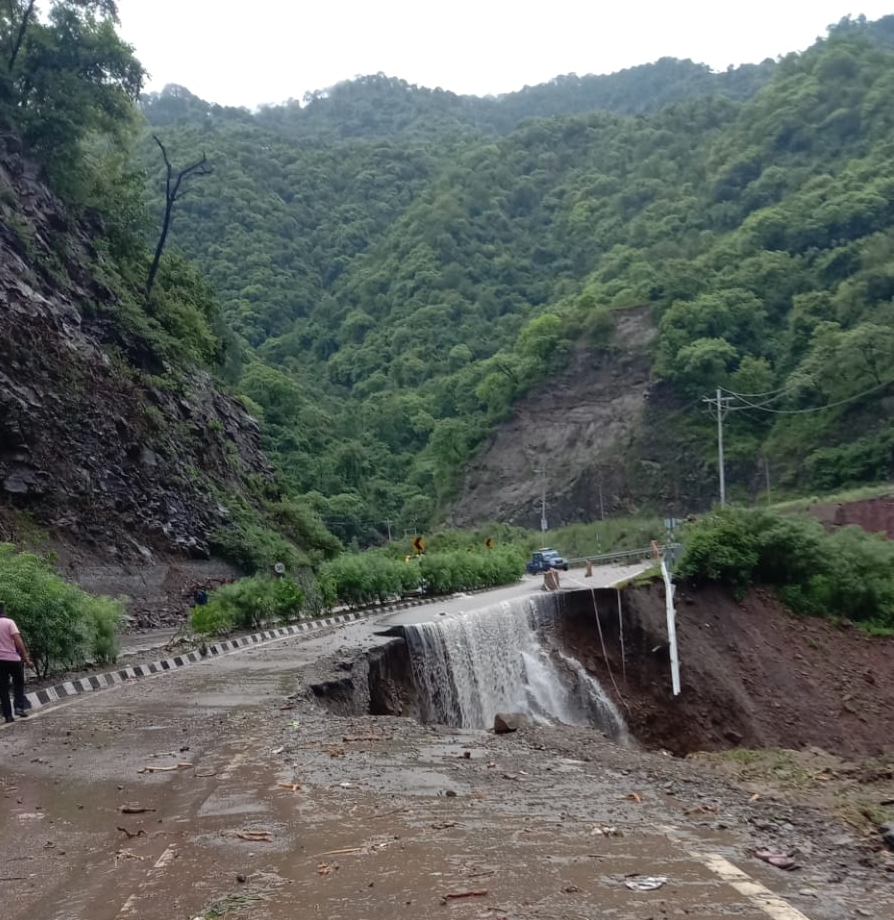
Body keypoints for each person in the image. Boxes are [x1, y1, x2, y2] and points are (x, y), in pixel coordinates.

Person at [0, 601, 33, 724]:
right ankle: (19, 707)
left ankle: (8, 716)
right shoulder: (9, 622)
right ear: (4, 611)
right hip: (13, 659)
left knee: (3, 688)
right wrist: (25, 657)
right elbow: (17, 639)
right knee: (18, 682)